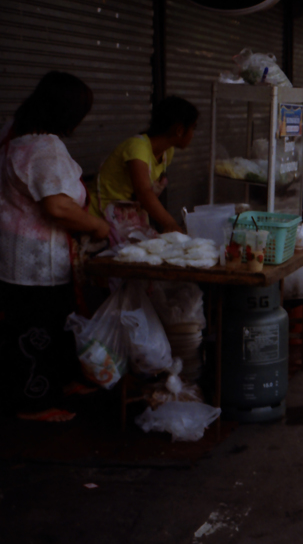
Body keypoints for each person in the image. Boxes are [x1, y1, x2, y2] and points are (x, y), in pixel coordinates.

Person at [0, 72, 110, 422]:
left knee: (56, 322)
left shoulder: (10, 134)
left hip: (12, 253)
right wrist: (97, 225)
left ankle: (62, 382)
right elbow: (57, 206)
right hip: (35, 262)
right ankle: (33, 403)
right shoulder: (44, 147)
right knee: (35, 331)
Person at [92, 96, 198, 233]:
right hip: (101, 218)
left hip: (126, 217)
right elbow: (143, 192)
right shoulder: (138, 147)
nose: (193, 135)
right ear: (179, 130)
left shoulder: (167, 153)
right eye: (193, 128)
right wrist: (171, 224)